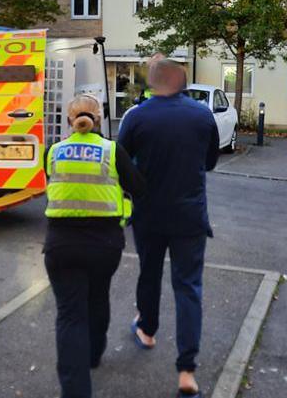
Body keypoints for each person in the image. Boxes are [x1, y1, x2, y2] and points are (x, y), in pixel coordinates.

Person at [118, 59, 220, 398]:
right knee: (188, 287)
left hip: (149, 216)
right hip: (190, 217)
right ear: (183, 82)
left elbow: (120, 163)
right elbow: (209, 162)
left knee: (149, 272)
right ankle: (187, 373)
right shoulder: (202, 115)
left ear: (153, 83)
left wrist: (140, 186)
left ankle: (147, 330)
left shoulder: (136, 117)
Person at [44, 95, 145, 398]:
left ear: (68, 122)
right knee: (98, 296)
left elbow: (52, 182)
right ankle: (94, 354)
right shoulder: (113, 151)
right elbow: (139, 188)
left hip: (61, 245)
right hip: (104, 245)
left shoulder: (53, 151)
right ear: (100, 120)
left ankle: (75, 390)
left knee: (70, 315)